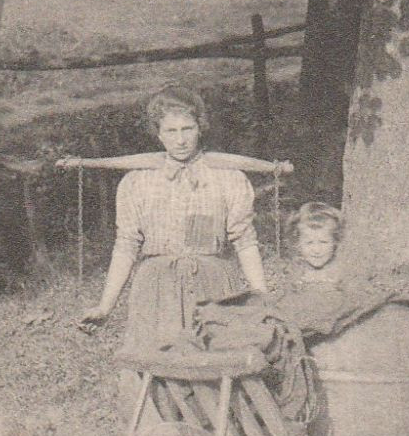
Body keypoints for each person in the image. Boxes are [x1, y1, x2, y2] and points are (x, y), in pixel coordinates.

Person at [78, 86, 268, 351]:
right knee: (158, 370)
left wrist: (262, 299)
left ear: (200, 128)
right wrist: (104, 306)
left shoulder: (228, 178)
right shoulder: (137, 182)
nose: (180, 140)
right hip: (157, 293)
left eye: (187, 129)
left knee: (215, 373)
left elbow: (245, 243)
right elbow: (126, 246)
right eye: (171, 131)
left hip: (213, 290)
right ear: (158, 134)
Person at [288, 202, 344, 289]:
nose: (317, 250)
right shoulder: (291, 273)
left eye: (324, 242)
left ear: (335, 241)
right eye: (309, 242)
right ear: (297, 243)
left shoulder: (343, 273)